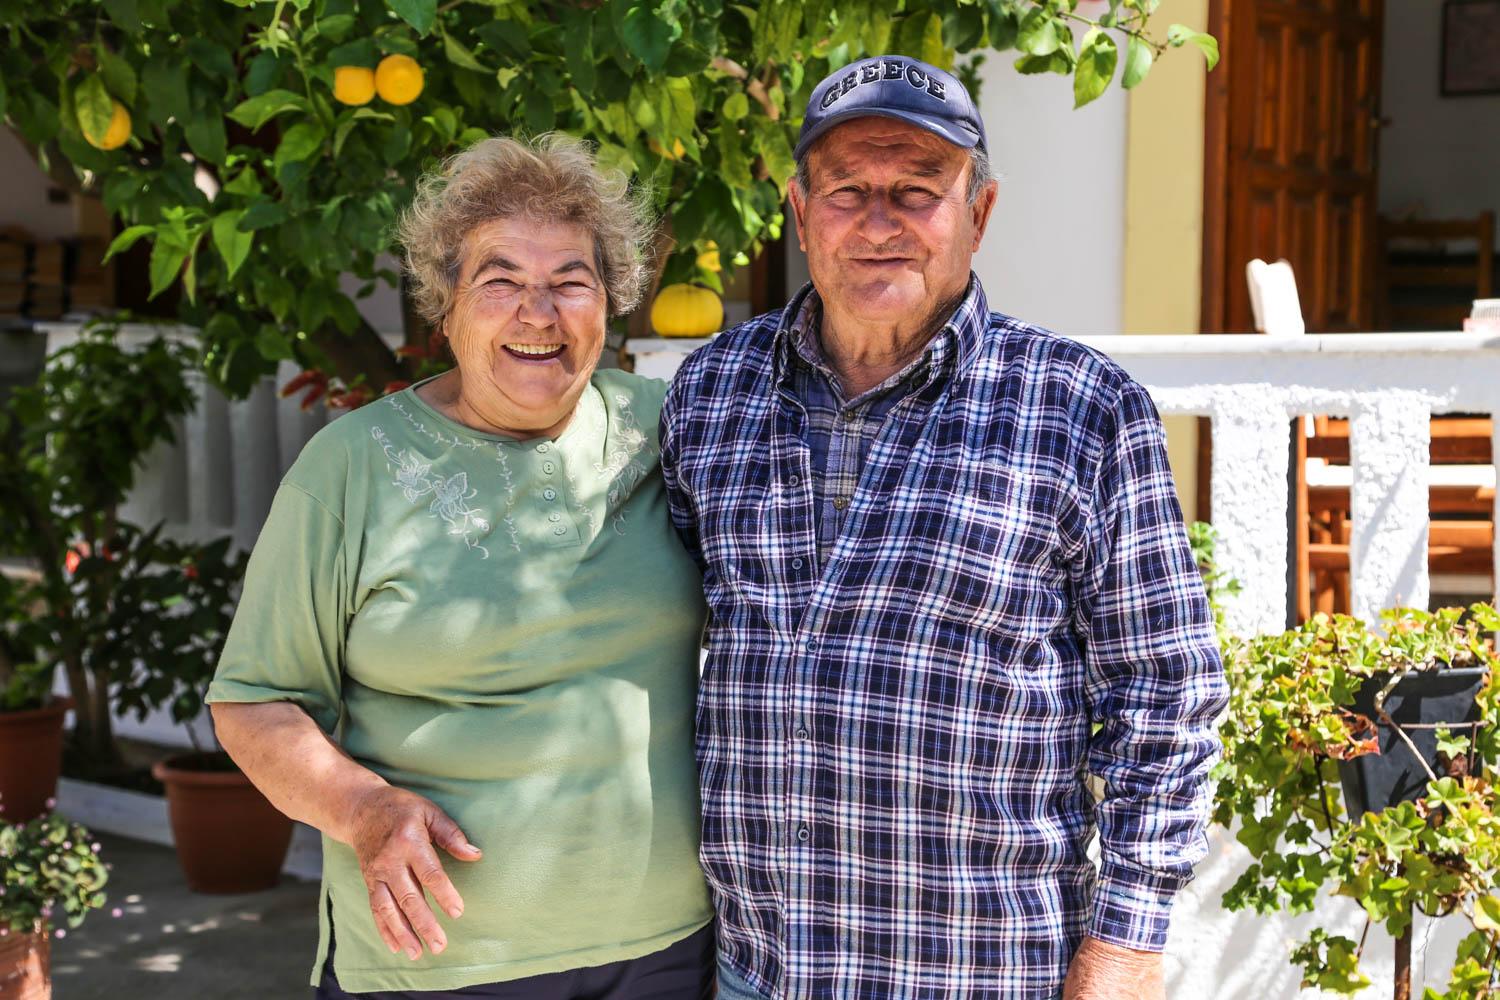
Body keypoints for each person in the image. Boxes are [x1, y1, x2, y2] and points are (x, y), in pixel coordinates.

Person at [658, 57, 1227, 1000]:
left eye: (918, 192)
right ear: (801, 213)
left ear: (980, 212)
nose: (879, 223)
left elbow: (1166, 694)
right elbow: (651, 634)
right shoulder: (712, 394)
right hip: (757, 971)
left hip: (982, 971)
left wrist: (1125, 946)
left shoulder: (1080, 410)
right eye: (847, 191)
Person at [207, 134, 715, 999]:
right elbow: (254, 702)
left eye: (570, 282)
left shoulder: (675, 431)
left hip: (667, 950)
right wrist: (360, 809)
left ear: (611, 302)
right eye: (501, 281)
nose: (538, 312)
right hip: (438, 963)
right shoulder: (351, 468)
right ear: (446, 307)